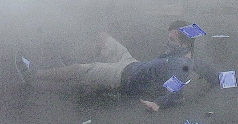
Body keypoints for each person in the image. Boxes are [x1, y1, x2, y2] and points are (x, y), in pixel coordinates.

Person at [21, 21, 217, 110]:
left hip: (123, 77)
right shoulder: (188, 56)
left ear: (182, 40)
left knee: (80, 70)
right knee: (103, 38)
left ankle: (34, 75)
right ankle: (70, 63)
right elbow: (213, 75)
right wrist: (225, 81)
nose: (168, 40)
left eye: (171, 37)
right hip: (132, 63)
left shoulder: (180, 64)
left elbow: (177, 92)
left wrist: (158, 104)